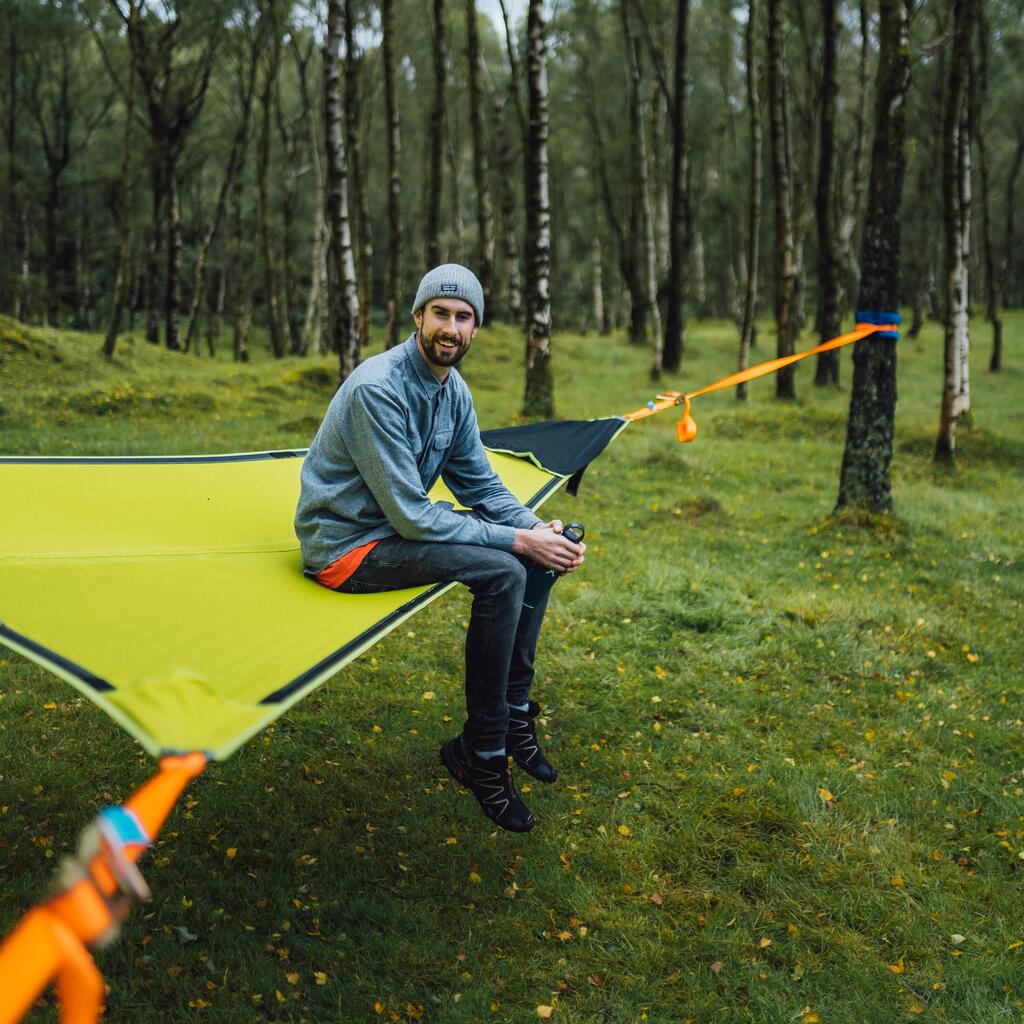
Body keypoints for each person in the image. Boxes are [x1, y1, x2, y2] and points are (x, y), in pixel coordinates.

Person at [294, 264, 585, 833]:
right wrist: (518, 540)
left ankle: (513, 714)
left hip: (397, 532)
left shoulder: (454, 392)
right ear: (418, 317)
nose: (451, 327)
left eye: (463, 317)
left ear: (475, 328)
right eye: (441, 314)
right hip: (348, 547)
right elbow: (412, 514)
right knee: (504, 570)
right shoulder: (378, 389)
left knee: (534, 554)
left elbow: (480, 485)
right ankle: (482, 753)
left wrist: (537, 530)